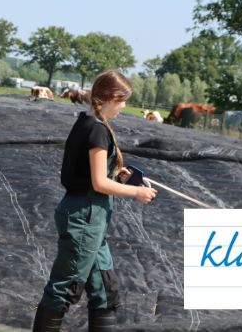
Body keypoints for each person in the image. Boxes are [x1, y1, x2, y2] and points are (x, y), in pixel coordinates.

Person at [32, 70, 157, 332]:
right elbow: (99, 183)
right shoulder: (97, 130)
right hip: (84, 218)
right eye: (123, 100)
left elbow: (91, 174)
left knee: (104, 288)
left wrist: (117, 174)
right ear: (111, 98)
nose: (124, 106)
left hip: (92, 220)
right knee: (65, 287)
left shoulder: (86, 122)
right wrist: (136, 192)